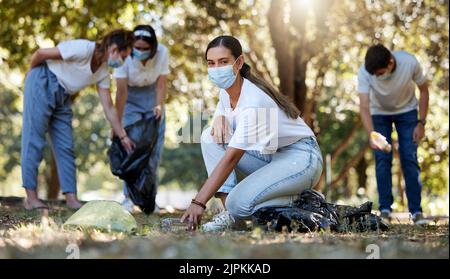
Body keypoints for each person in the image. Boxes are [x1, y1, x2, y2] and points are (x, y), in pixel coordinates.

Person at [181, 35, 323, 231]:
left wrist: (199, 202)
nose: (216, 69)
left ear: (239, 62)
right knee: (209, 136)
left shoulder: (253, 100)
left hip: (301, 158)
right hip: (271, 156)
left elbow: (231, 158)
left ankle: (303, 199)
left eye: (223, 62)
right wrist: (219, 117)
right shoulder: (226, 91)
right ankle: (231, 216)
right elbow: (222, 119)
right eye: (211, 63)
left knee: (239, 204)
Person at [21, 29, 136, 210]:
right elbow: (41, 53)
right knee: (34, 140)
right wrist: (30, 75)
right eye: (124, 55)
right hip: (42, 80)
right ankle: (31, 198)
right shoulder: (83, 48)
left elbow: (109, 107)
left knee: (65, 146)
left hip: (63, 95)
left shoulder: (103, 72)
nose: (124, 61)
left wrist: (122, 136)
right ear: (114, 48)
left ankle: (71, 199)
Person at [357, 43, 430, 225]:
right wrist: (372, 133)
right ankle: (385, 210)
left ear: (390, 63)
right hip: (379, 114)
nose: (377, 77)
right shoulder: (366, 71)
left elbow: (424, 90)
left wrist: (421, 123)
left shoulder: (409, 62)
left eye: (380, 74)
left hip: (407, 112)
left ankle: (416, 211)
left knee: (409, 157)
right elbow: (364, 106)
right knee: (382, 158)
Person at [113, 25, 169, 213]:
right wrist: (117, 123)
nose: (141, 51)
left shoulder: (162, 53)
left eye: (146, 48)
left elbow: (161, 85)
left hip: (153, 98)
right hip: (130, 100)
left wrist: (159, 105)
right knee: (131, 149)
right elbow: (121, 93)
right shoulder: (124, 56)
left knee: (153, 152)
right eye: (138, 47)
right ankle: (128, 197)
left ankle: (149, 199)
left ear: (153, 47)